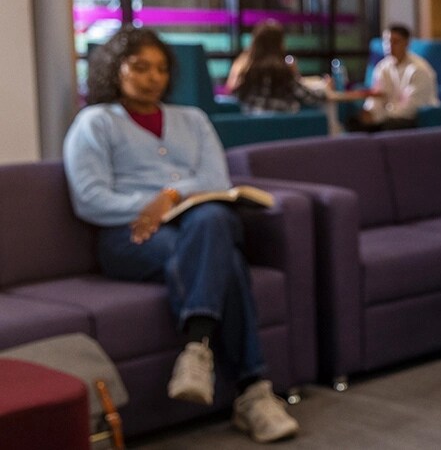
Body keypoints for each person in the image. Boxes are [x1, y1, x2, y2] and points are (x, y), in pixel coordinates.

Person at [63, 27, 300, 443]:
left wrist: (169, 197)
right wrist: (148, 206)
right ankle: (253, 393)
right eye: (140, 67)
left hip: (197, 225)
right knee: (222, 254)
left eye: (160, 69)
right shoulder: (94, 123)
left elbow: (215, 179)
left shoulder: (192, 119)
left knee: (212, 220)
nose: (152, 77)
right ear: (114, 69)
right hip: (130, 237)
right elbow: (90, 199)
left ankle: (198, 349)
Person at [350, 23, 440, 132]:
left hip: (415, 117)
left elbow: (411, 107)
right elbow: (377, 97)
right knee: (355, 123)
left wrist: (380, 117)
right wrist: (370, 113)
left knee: (385, 126)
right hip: (389, 115)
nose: (389, 46)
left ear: (406, 43)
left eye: (395, 42)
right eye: (386, 41)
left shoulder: (419, 69)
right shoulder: (382, 67)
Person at [226, 19, 329, 115]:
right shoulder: (283, 71)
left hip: (250, 127)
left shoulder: (246, 70)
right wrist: (326, 90)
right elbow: (307, 96)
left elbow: (234, 94)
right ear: (280, 44)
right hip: (283, 127)